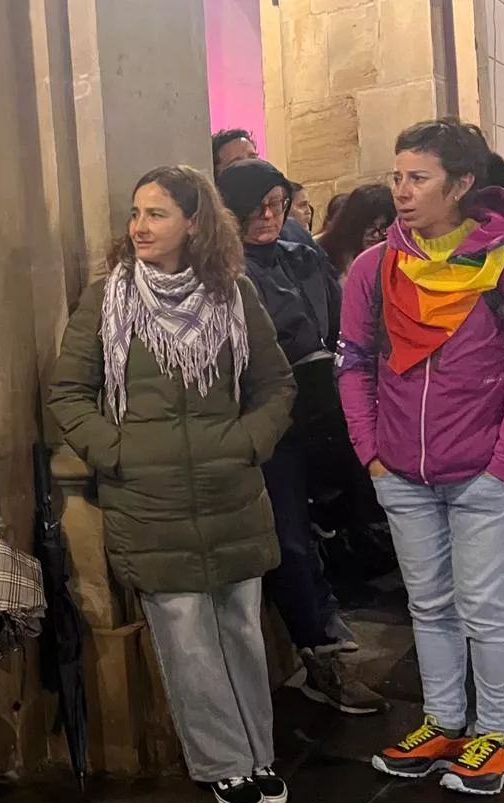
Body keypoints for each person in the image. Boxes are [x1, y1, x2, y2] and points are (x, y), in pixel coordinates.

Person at [49, 166, 297, 803]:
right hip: (149, 499)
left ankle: (259, 750)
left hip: (229, 492)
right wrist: (119, 453)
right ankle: (223, 762)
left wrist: (247, 443)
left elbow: (277, 385)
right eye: (135, 213)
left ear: (194, 223)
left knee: (240, 627)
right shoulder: (107, 301)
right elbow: (67, 394)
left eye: (156, 214)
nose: (139, 226)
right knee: (185, 634)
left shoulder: (233, 294)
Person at [340, 119, 504, 796]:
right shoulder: (375, 267)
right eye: (396, 176)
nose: (401, 192)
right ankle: (442, 721)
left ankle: (492, 734)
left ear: (462, 184)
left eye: (418, 178)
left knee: (484, 606)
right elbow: (352, 365)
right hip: (402, 472)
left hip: (485, 473)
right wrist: (372, 453)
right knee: (428, 605)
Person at [216, 161, 386, 716]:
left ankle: (326, 619)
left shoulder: (302, 255)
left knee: (328, 524)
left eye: (278, 203)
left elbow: (341, 327)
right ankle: (319, 651)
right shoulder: (220, 272)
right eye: (256, 205)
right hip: (269, 422)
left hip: (322, 412)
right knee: (289, 536)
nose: (269, 215)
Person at [318, 184, 397, 278]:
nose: (376, 235)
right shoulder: (325, 255)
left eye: (384, 227)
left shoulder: (396, 257)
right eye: (370, 226)